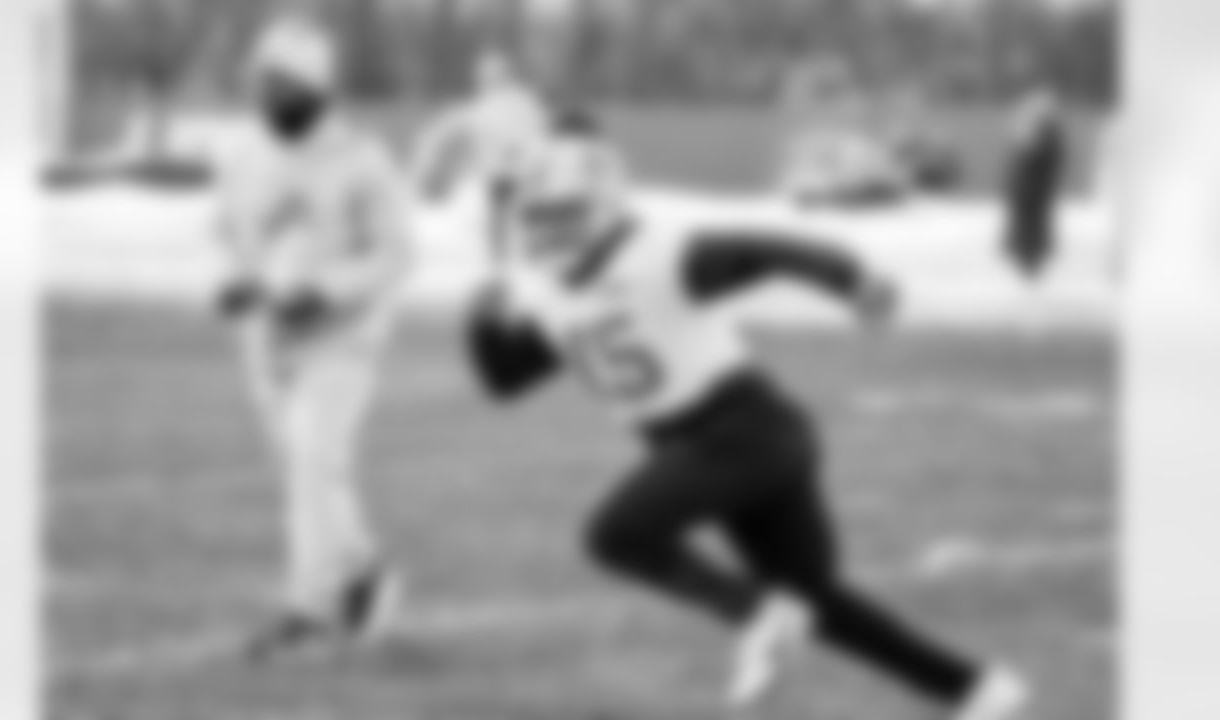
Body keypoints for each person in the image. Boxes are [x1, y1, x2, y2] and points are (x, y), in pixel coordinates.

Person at [467, 119, 1029, 719]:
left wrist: (855, 281)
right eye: (540, 216)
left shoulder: (658, 254)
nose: (550, 230)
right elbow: (505, 380)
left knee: (617, 535)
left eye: (563, 213)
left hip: (740, 430)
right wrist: (480, 318)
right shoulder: (556, 293)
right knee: (819, 602)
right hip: (728, 444)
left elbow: (774, 251)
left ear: (604, 205)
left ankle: (758, 615)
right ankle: (979, 691)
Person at [210, 15, 414, 659]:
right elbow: (228, 233)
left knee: (310, 460)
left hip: (342, 339)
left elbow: (395, 254)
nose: (262, 93)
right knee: (311, 473)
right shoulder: (242, 153)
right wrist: (237, 281)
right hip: (265, 339)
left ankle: (310, 609)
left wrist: (325, 290)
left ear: (313, 86)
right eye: (258, 80)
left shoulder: (362, 157)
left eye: (277, 82)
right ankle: (363, 574)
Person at [409, 51, 552, 272]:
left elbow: (533, 132)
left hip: (517, 169)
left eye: (489, 76)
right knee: (503, 216)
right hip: (506, 172)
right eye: (484, 76)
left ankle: (511, 260)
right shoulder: (489, 106)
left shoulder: (515, 102)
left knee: (510, 215)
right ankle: (504, 262)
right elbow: (465, 137)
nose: (485, 80)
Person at [1003, 87, 1068, 282]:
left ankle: (1030, 263)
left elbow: (1034, 161)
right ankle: (1029, 262)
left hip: (1032, 191)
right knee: (1029, 224)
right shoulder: (1044, 134)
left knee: (1031, 225)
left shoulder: (1045, 135)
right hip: (1030, 192)